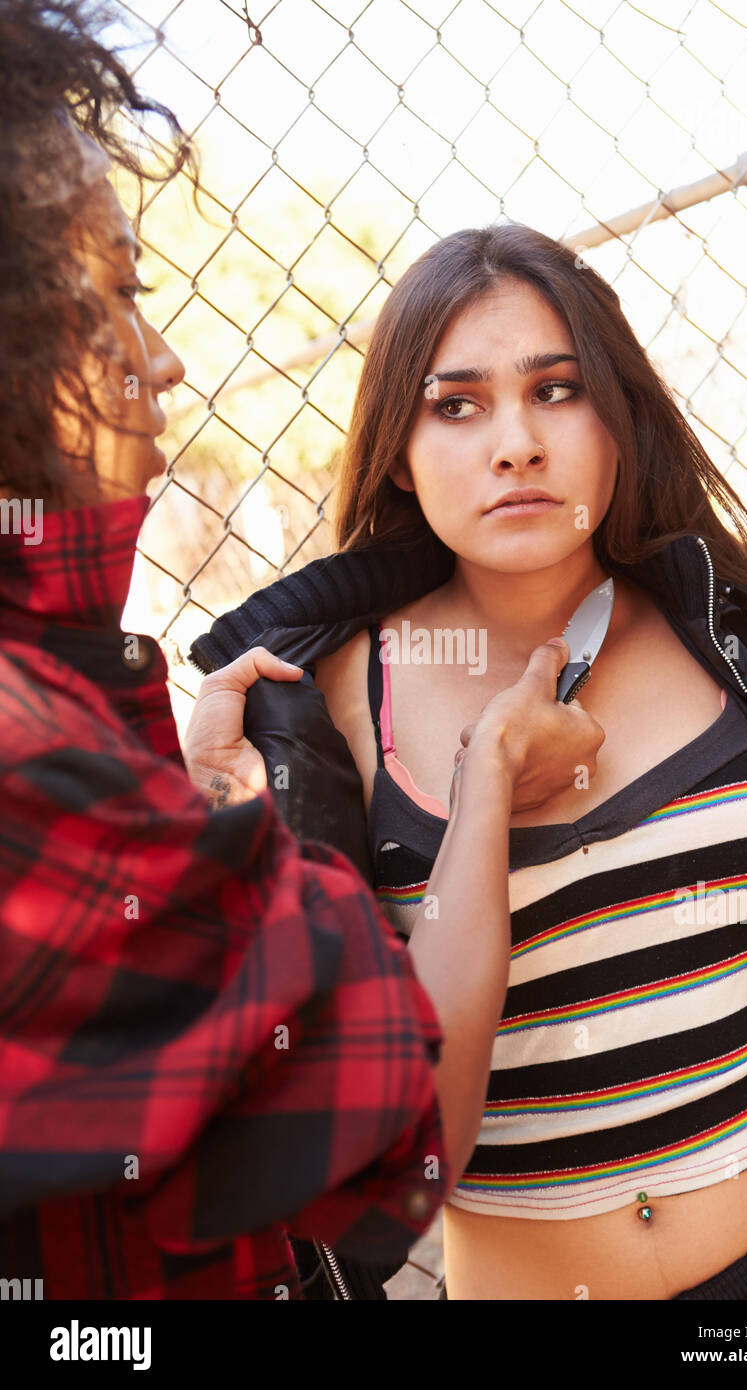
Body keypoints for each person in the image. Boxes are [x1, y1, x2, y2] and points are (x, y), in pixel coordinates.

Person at [0, 0, 604, 1300]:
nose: (159, 361)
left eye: (557, 389)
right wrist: (463, 784)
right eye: (113, 294)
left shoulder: (712, 619)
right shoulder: (50, 745)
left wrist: (178, 798)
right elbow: (393, 1140)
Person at [191, 223, 747, 1300]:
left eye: (555, 389)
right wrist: (483, 795)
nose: (514, 442)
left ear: (617, 416)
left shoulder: (716, 625)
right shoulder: (321, 708)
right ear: (399, 454)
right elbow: (414, 1147)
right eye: (454, 405)